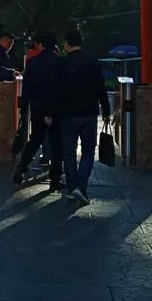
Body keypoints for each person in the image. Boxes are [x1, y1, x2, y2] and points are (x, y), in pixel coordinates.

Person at [58, 29, 109, 206]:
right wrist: (106, 110)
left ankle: (73, 186)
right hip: (89, 113)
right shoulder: (92, 62)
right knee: (88, 151)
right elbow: (101, 88)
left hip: (68, 113)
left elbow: (57, 90)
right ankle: (81, 185)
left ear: (67, 44)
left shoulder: (63, 63)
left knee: (69, 152)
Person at [13, 32, 62, 190]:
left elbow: (27, 89)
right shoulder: (60, 62)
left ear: (41, 45)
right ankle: (55, 180)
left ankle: (21, 168)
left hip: (38, 108)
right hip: (55, 108)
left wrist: (24, 108)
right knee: (56, 144)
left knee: (35, 140)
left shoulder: (33, 63)